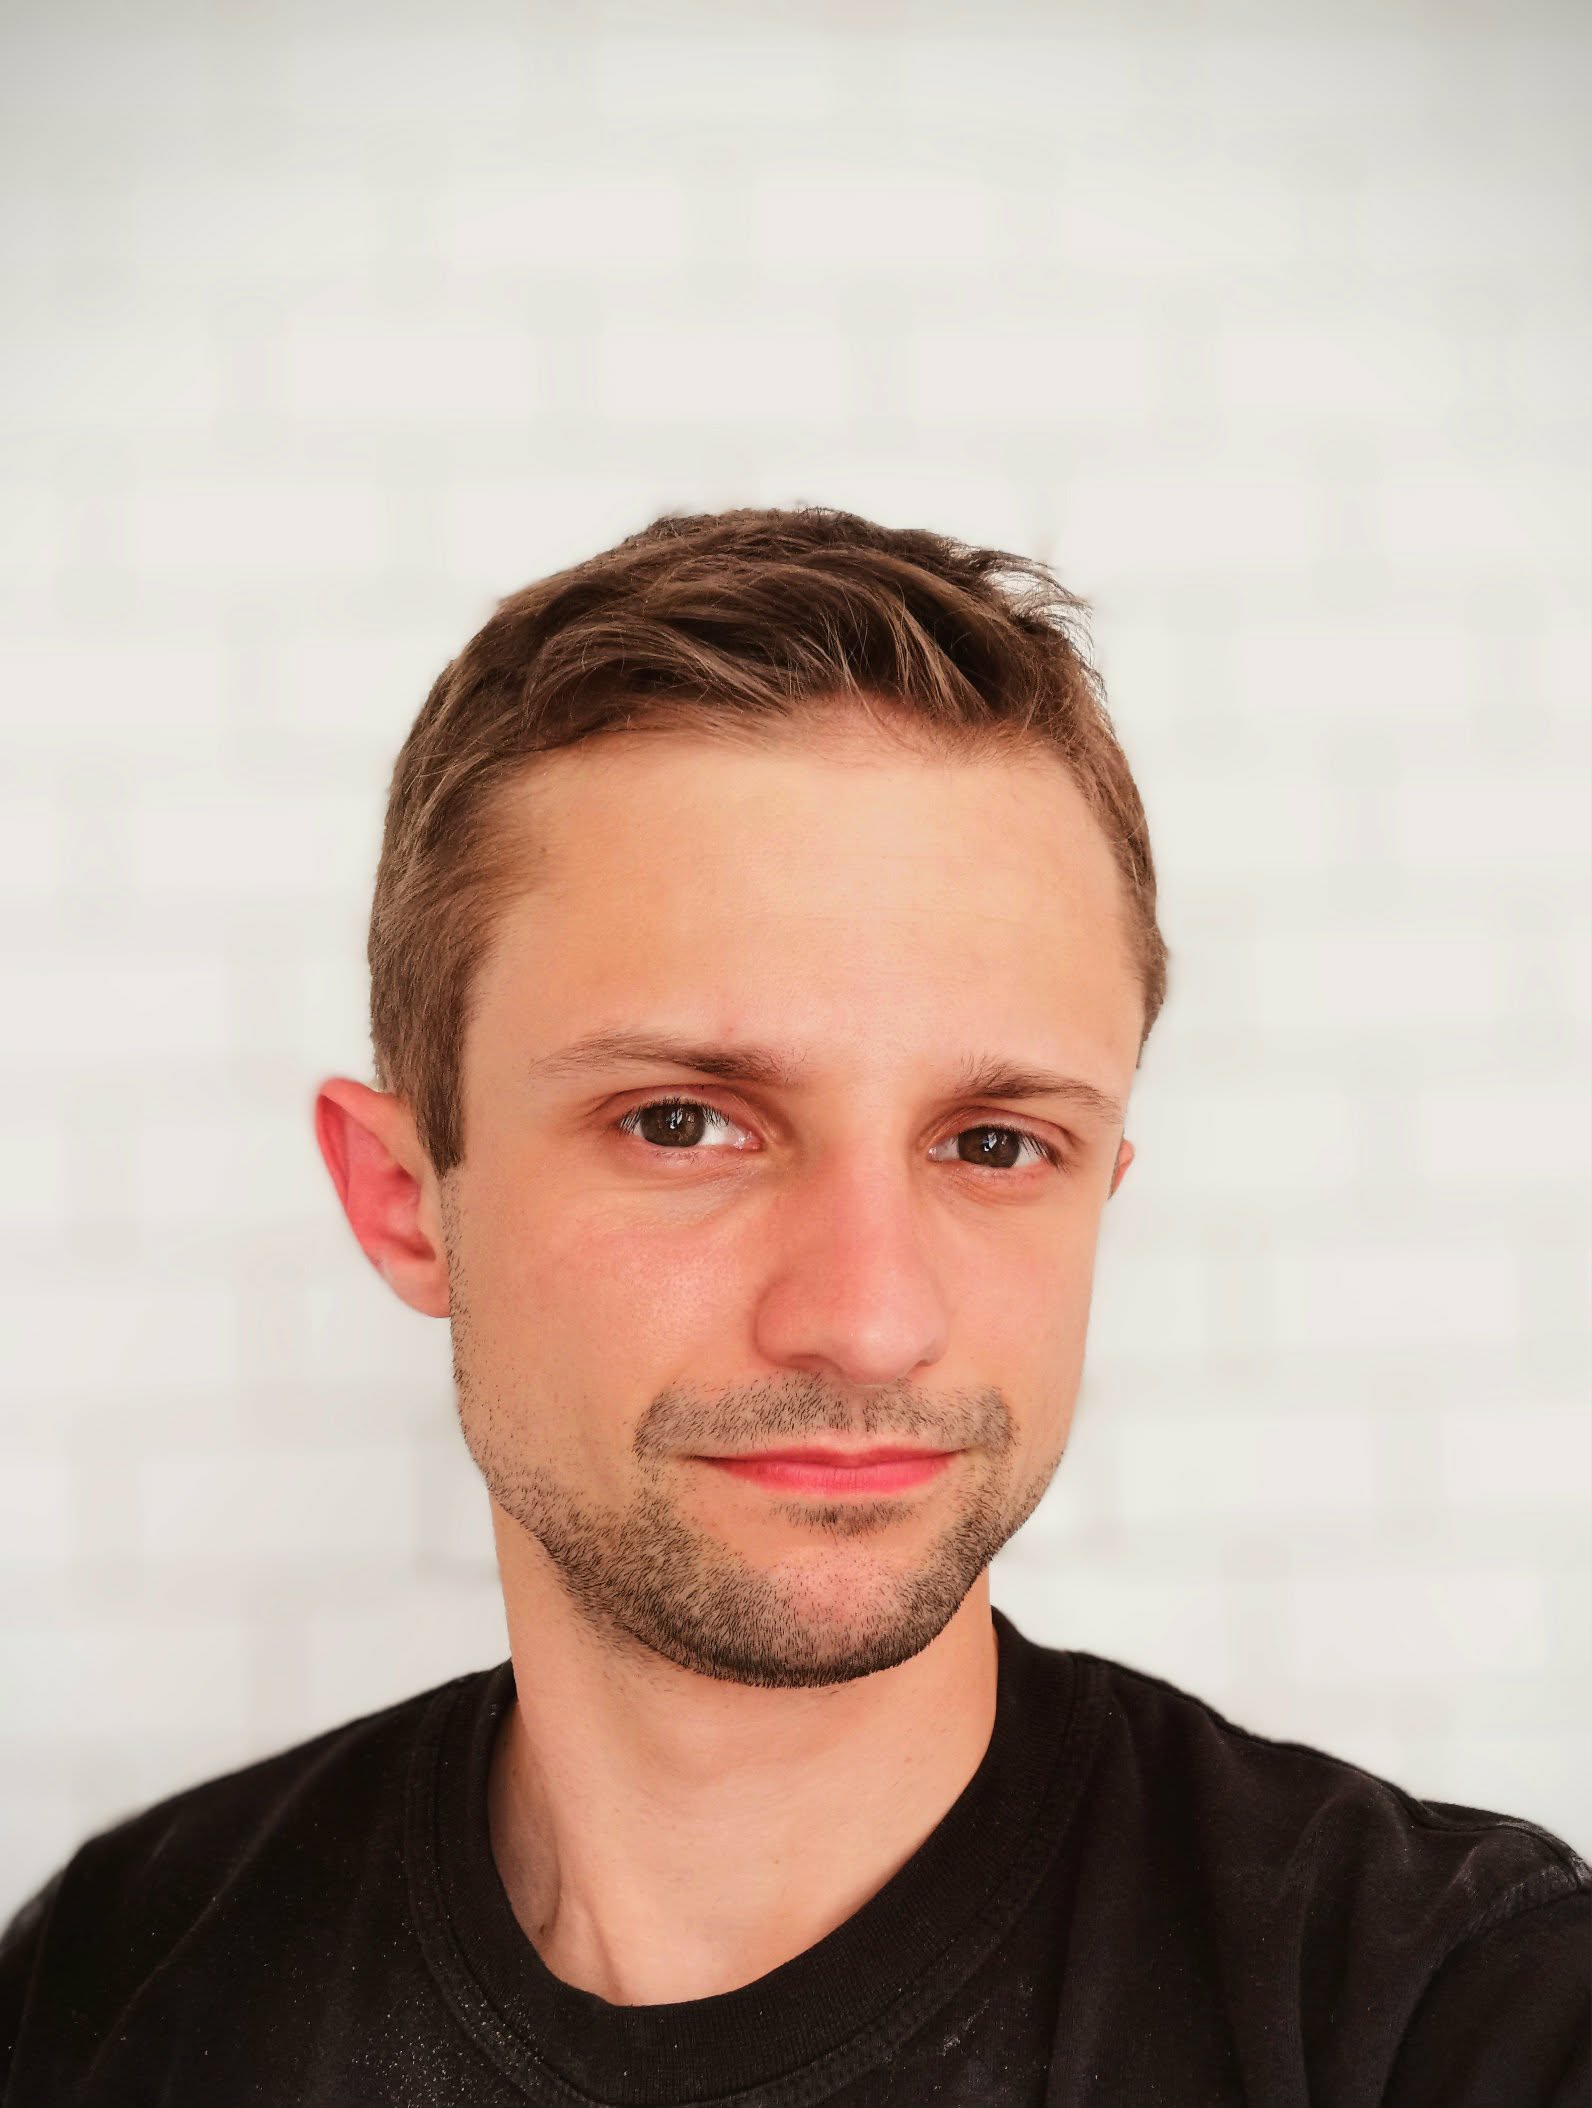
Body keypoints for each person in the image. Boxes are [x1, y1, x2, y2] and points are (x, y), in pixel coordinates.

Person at [2, 507, 1587, 2108]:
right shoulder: (116, 1987)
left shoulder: (1438, 2014)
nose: (869, 1320)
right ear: (407, 1199)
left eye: (993, 1145)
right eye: (682, 1123)